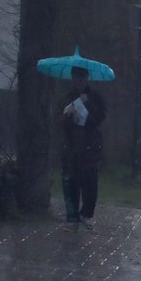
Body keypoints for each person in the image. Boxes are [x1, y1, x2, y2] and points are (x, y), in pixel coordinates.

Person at [59, 66, 106, 224]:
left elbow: (100, 117)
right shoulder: (67, 96)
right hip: (72, 145)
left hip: (90, 144)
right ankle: (72, 214)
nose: (79, 80)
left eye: (82, 77)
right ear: (73, 78)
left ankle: (87, 213)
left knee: (90, 182)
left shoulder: (95, 96)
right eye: (76, 77)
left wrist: (88, 105)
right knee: (72, 180)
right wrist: (68, 115)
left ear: (87, 78)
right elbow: (61, 121)